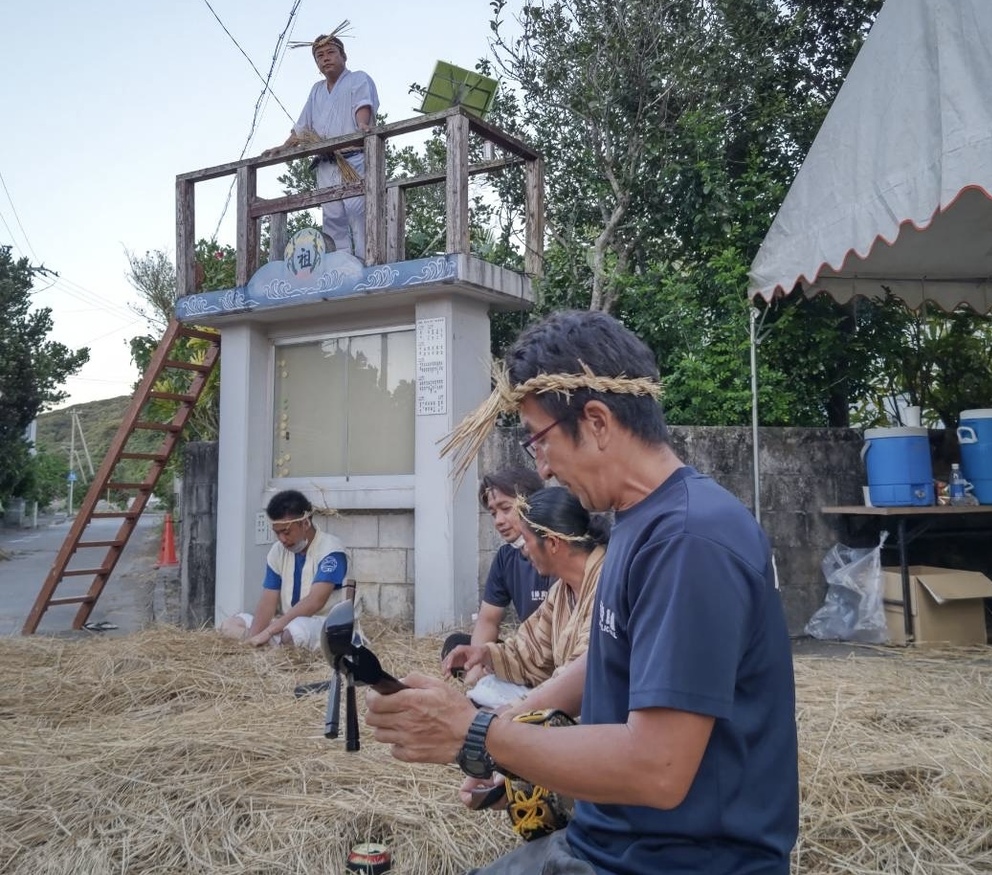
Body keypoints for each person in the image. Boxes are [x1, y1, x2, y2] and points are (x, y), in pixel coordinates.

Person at [366, 310, 799, 874]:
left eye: (539, 442)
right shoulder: (640, 522)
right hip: (605, 843)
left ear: (596, 422)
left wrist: (477, 734)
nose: (543, 470)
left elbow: (659, 769)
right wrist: (509, 730)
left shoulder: (689, 540)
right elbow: (606, 662)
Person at [443, 486, 608, 709]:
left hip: (595, 712)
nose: (524, 550)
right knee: (483, 690)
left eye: (527, 540)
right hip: (558, 694)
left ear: (552, 543)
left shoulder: (606, 587)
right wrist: (484, 654)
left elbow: (576, 680)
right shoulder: (562, 590)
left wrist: (513, 711)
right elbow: (530, 652)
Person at [263, 29, 379, 260]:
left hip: (353, 157)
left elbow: (362, 105)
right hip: (326, 163)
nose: (325, 58)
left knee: (358, 210)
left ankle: (367, 260)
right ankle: (339, 264)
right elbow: (303, 128)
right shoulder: (316, 90)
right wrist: (284, 147)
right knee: (332, 215)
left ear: (343, 56)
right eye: (320, 56)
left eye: (331, 52)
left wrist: (363, 125)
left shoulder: (358, 78)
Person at [440, 467, 551, 669]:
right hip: (527, 651)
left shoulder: (556, 550)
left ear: (530, 504)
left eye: (506, 509)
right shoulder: (506, 556)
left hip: (556, 654)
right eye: (493, 513)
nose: (498, 521)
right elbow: (488, 620)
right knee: (456, 648)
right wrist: (476, 664)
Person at [219, 490, 348, 651]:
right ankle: (268, 645)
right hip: (286, 622)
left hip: (325, 624)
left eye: (286, 532)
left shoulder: (331, 551)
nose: (282, 539)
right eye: (277, 533)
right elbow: (268, 601)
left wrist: (269, 632)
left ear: (305, 523)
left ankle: (272, 643)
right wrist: (253, 637)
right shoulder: (277, 551)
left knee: (293, 633)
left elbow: (315, 601)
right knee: (229, 625)